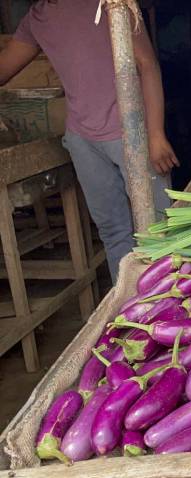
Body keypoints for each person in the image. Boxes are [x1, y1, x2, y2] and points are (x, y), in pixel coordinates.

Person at [0, 0, 177, 282]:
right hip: (83, 140)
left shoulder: (110, 3)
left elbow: (147, 64)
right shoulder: (37, 18)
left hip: (132, 133)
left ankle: (172, 300)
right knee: (112, 230)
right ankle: (132, 304)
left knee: (159, 227)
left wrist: (155, 135)